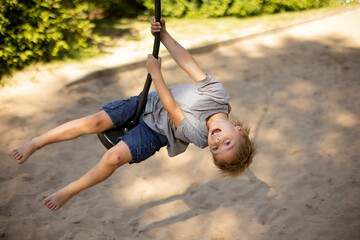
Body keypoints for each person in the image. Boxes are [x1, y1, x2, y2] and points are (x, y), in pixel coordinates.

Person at [11, 17, 256, 211]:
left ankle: (71, 190)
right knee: (95, 121)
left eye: (216, 149)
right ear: (239, 130)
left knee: (113, 159)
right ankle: (36, 142)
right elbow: (188, 63)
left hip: (156, 132)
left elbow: (173, 109)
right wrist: (164, 36)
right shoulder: (218, 95)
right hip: (148, 101)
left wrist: (156, 74)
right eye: (226, 142)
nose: (215, 141)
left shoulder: (199, 137)